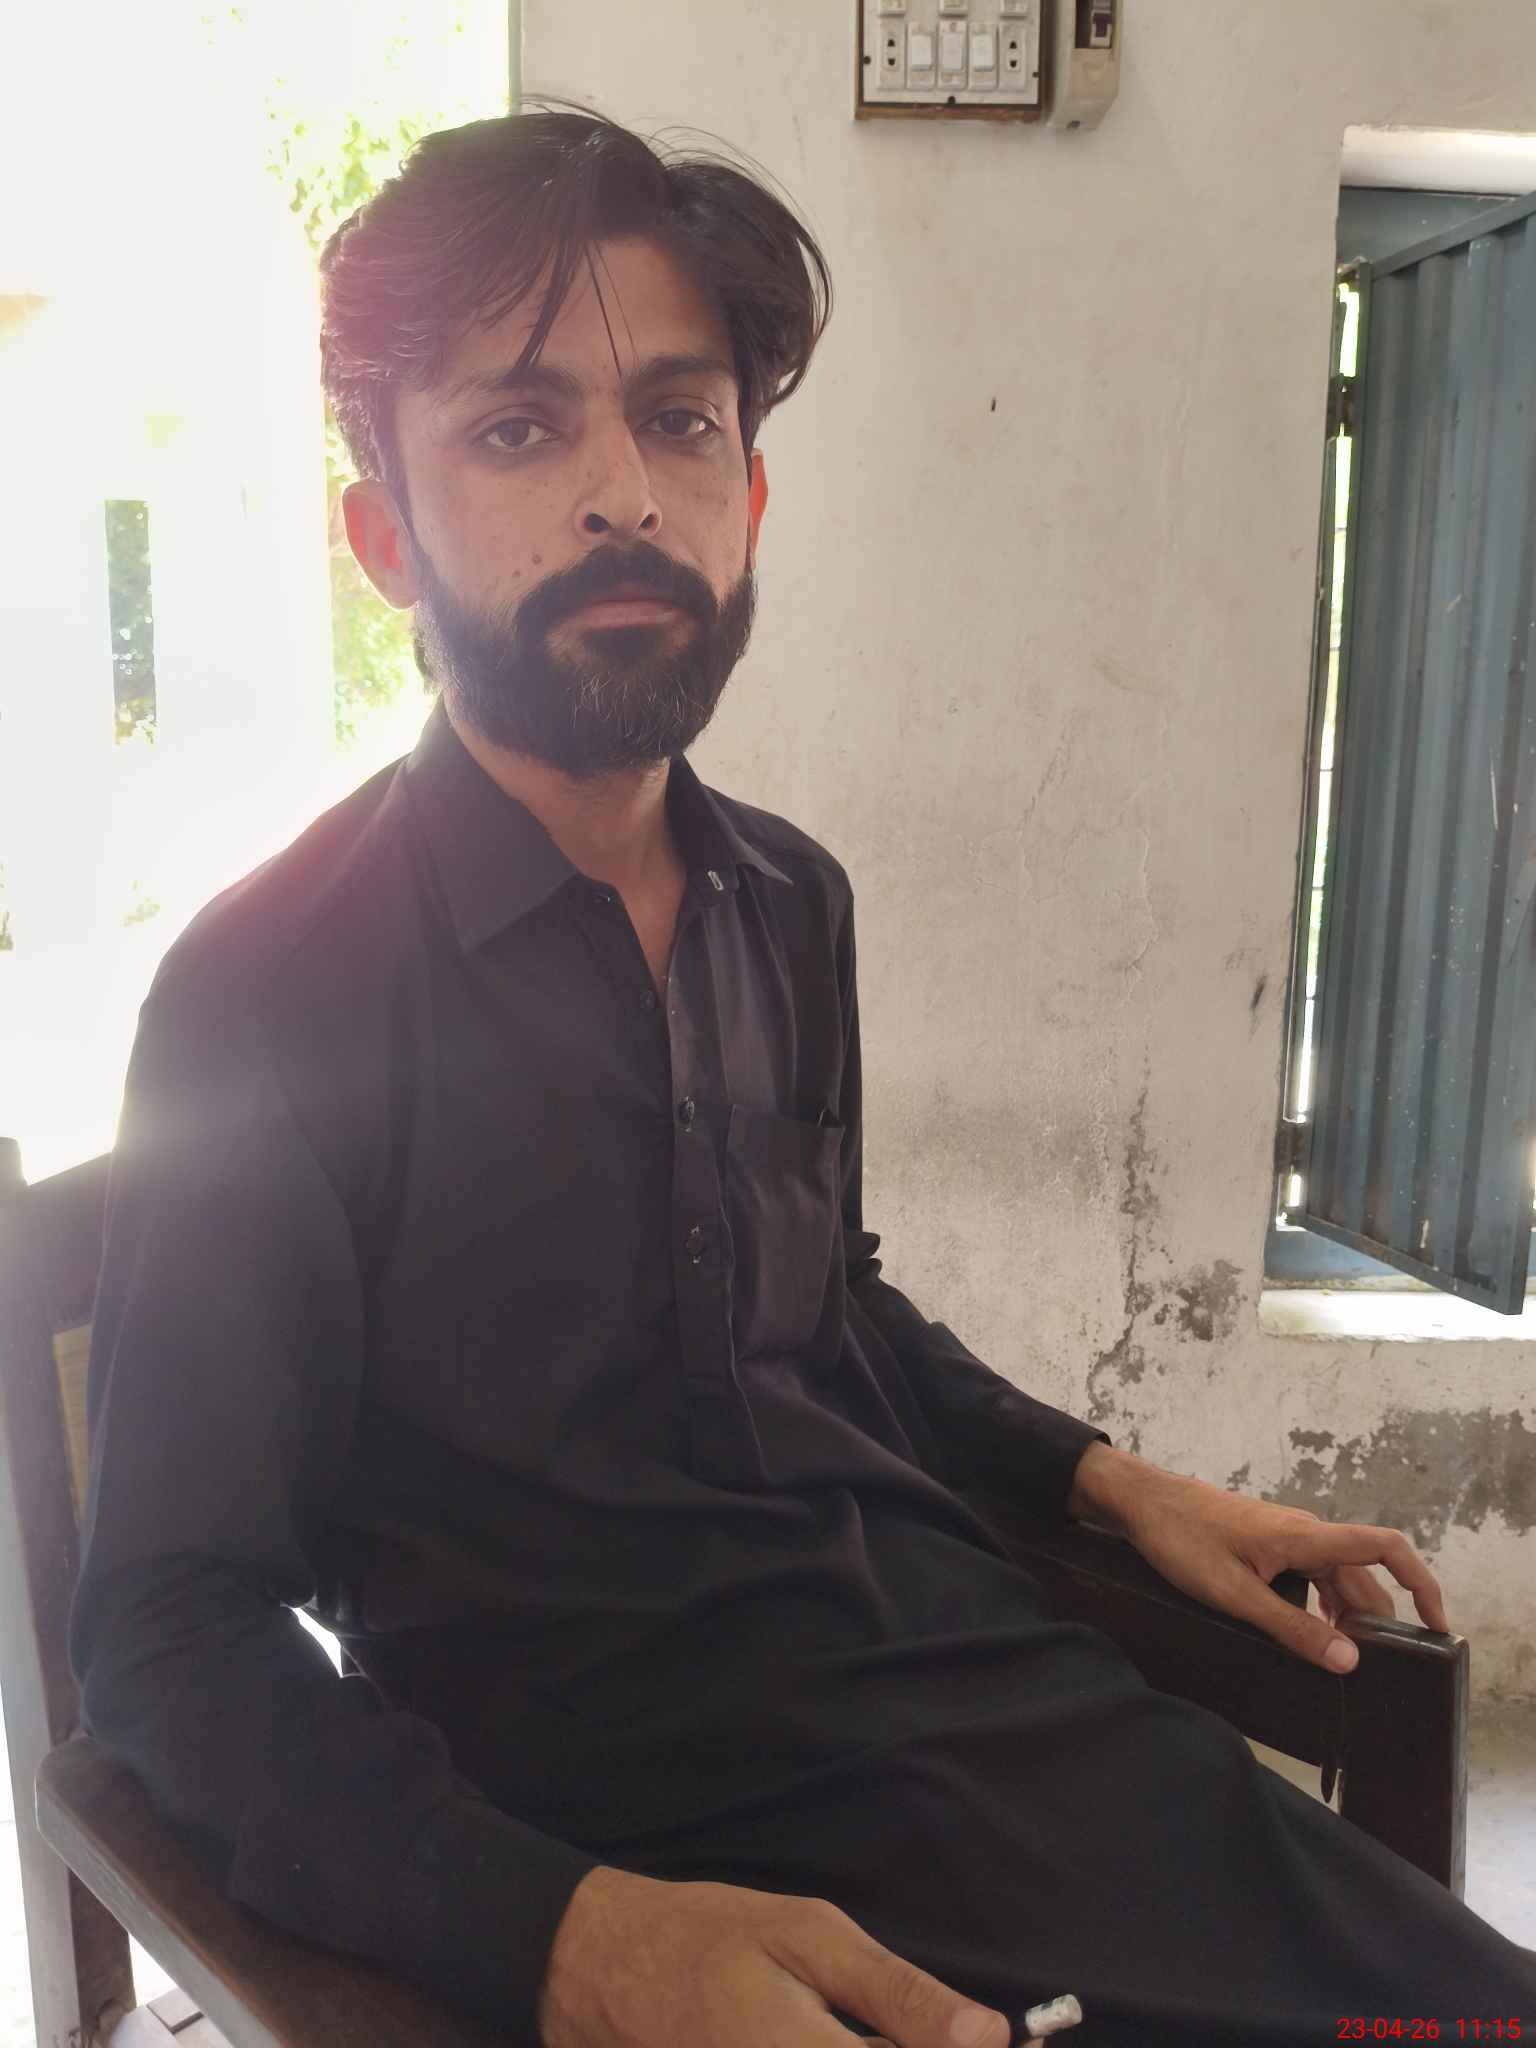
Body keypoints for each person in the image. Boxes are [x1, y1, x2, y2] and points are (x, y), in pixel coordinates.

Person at [70, 105, 1536, 2048]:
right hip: (621, 1852)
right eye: (518, 430)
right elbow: (167, 1636)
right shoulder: (268, 994)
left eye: (681, 421)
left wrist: (1113, 1482)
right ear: (383, 539)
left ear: (749, 497)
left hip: (989, 1716)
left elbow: (826, 1305)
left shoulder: (787, 900)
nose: (625, 495)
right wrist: (570, 1939)